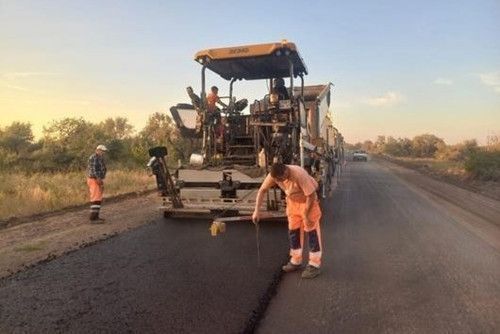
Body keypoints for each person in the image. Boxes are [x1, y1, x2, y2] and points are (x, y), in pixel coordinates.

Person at [252, 163, 322, 279]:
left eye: (280, 179)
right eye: (276, 180)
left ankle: (314, 265)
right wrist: (256, 211)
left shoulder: (299, 174)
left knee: (311, 231)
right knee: (293, 231)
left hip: (308, 202)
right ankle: (296, 260)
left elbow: (311, 195)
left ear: (285, 172)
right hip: (292, 203)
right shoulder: (274, 176)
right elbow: (262, 190)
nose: (279, 182)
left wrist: (306, 214)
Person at [87, 144, 108, 223]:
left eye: (104, 151)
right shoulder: (94, 157)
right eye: (102, 151)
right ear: (97, 150)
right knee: (95, 198)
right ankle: (93, 218)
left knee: (98, 198)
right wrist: (98, 178)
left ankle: (96, 216)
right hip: (94, 179)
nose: (103, 152)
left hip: (97, 179)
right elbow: (94, 169)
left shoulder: (100, 158)